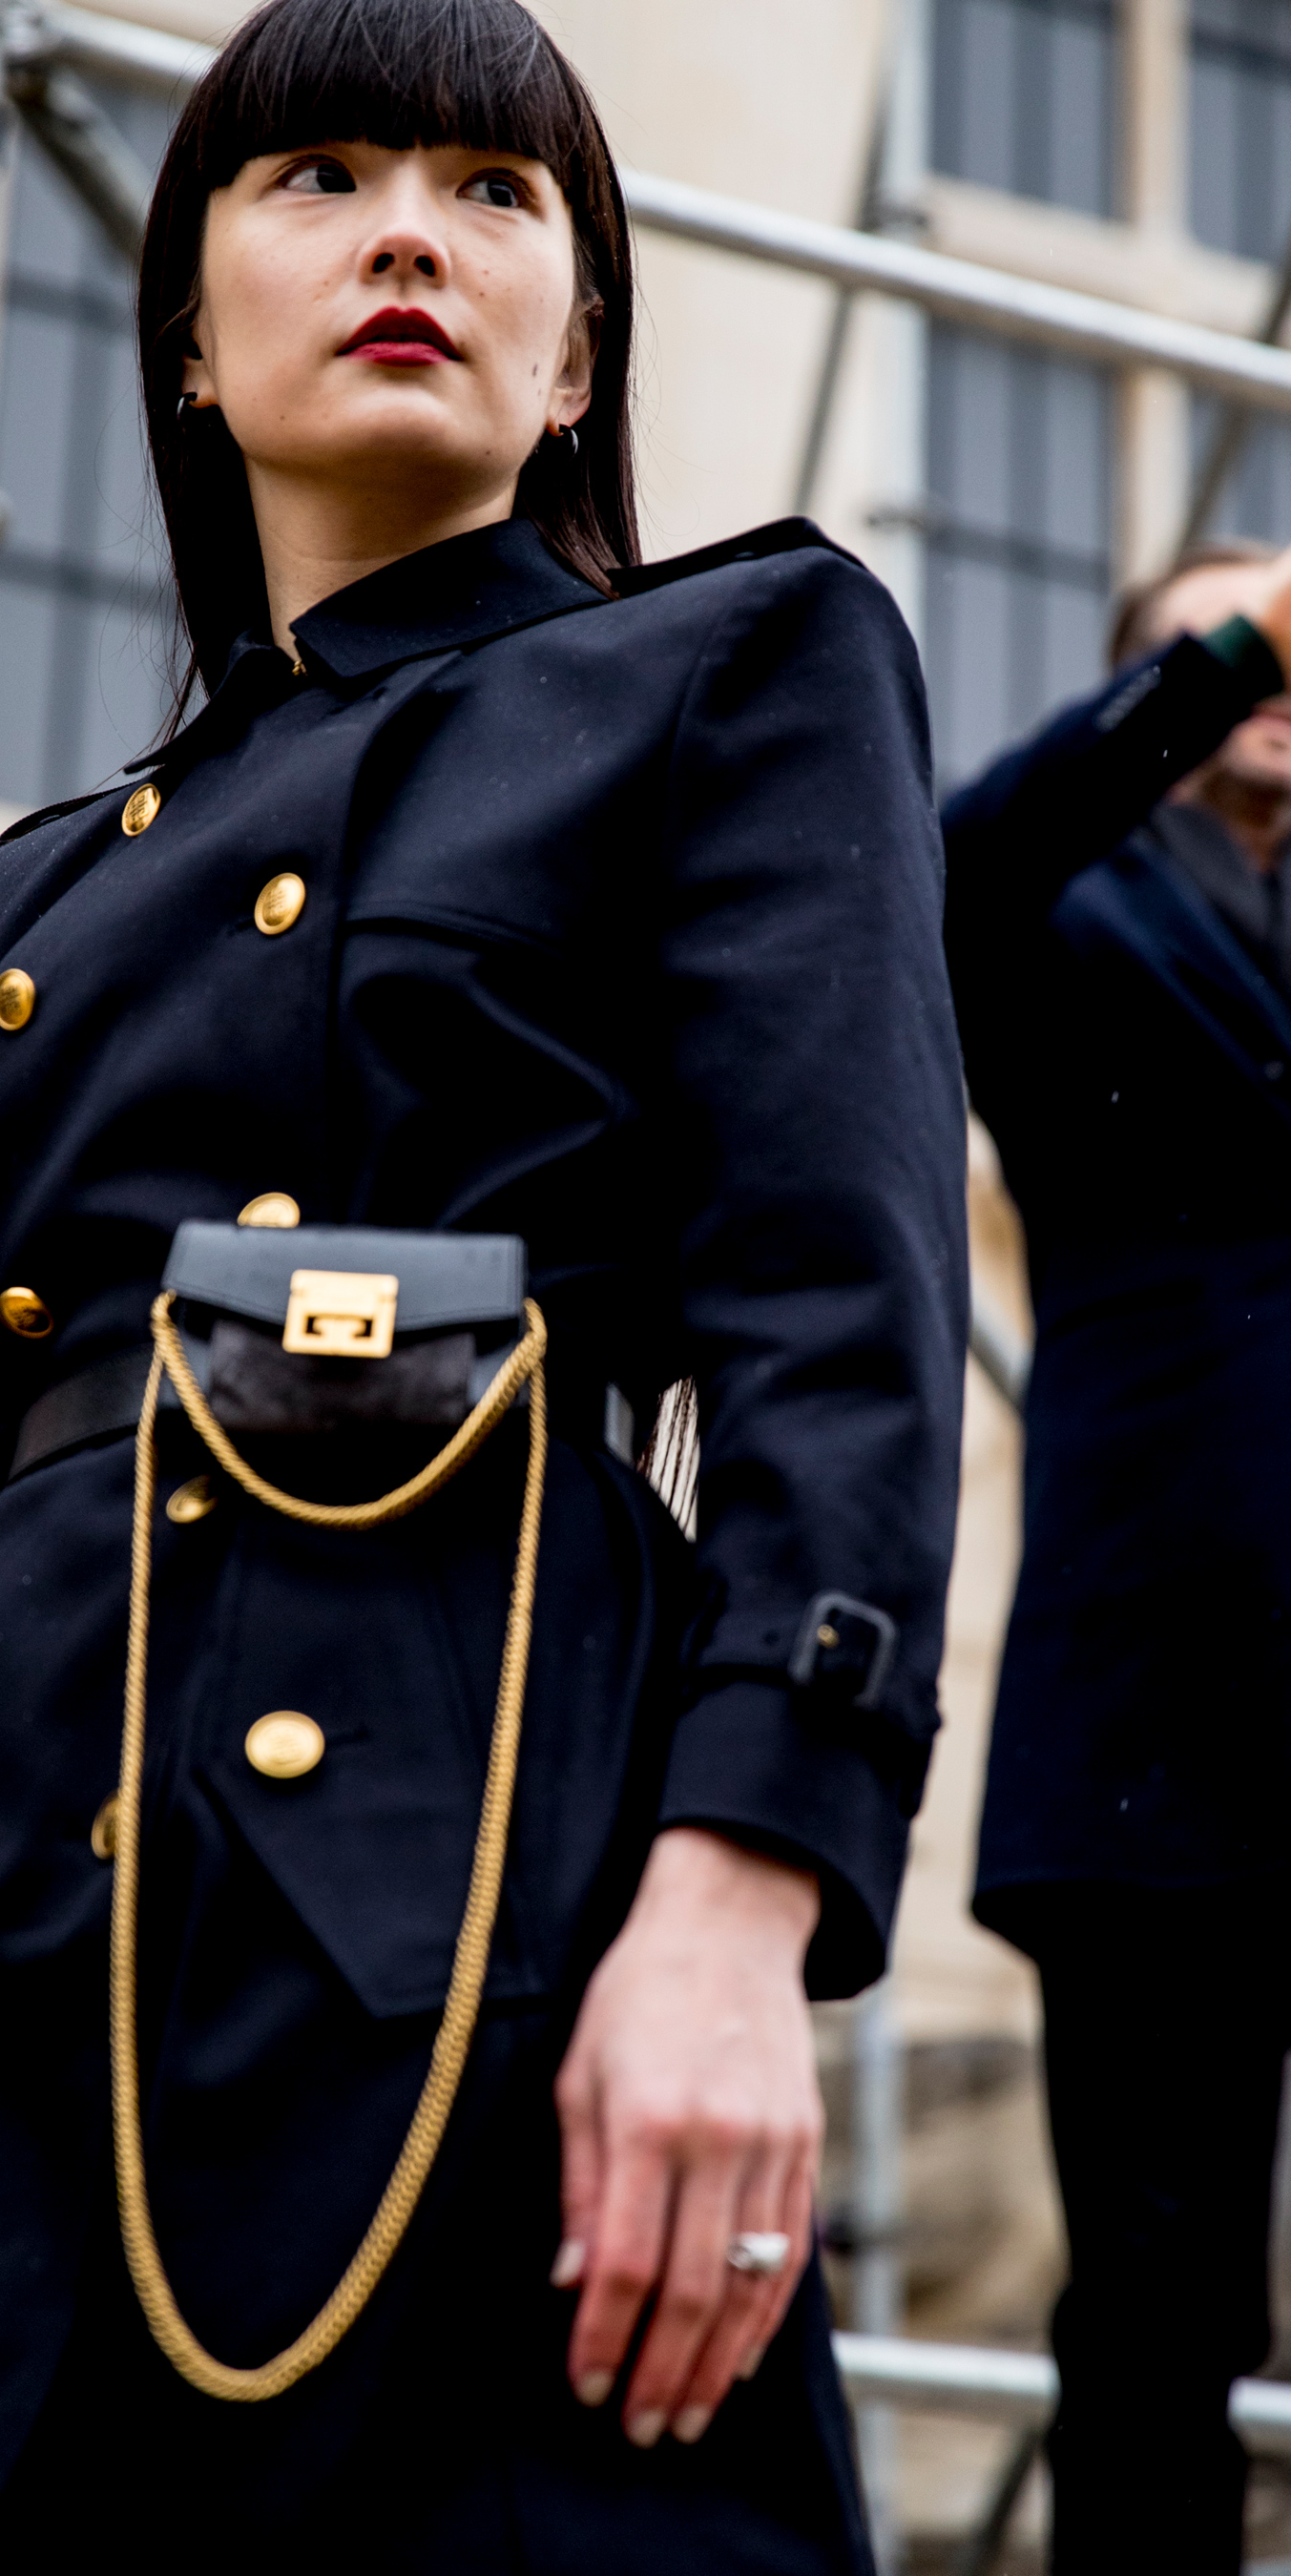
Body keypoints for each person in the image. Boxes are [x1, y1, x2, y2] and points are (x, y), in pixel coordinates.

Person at [0, 2, 967, 2566]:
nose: (411, 234)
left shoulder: (735, 671)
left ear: (580, 362)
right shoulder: (43, 879)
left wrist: (743, 1892)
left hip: (435, 1875)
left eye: (494, 192)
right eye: (318, 178)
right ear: (194, 349)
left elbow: (838, 1311)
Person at [945, 535, 1291, 2573]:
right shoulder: (1058, 898)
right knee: (1162, 2309)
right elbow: (969, 851)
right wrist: (1241, 638)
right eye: (1222, 642)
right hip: (1159, 1701)